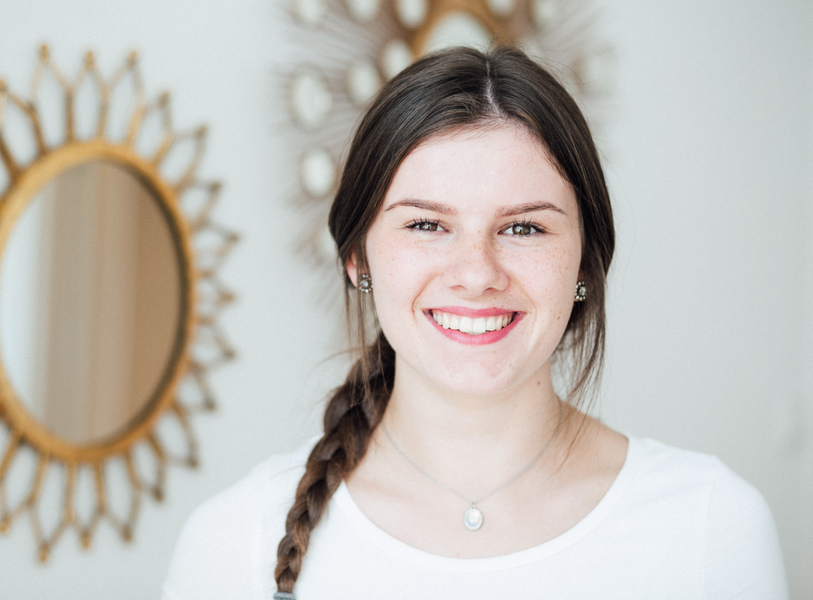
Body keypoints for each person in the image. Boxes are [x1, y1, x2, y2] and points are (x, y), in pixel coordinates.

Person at [162, 46, 788, 599]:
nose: (476, 273)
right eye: (426, 224)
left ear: (584, 263)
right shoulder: (234, 543)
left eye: (524, 228)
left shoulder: (711, 528)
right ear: (358, 260)